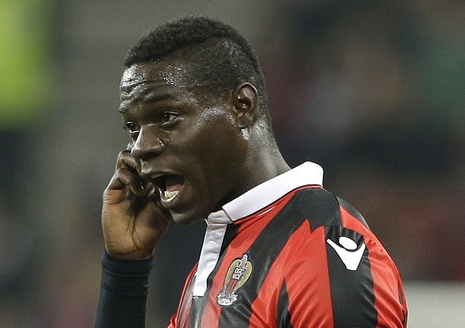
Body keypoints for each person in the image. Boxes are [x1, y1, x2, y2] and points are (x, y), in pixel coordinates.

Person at [94, 16, 408, 328]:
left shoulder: (320, 254)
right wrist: (125, 272)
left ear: (242, 106)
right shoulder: (225, 250)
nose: (140, 147)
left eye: (166, 117)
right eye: (134, 128)